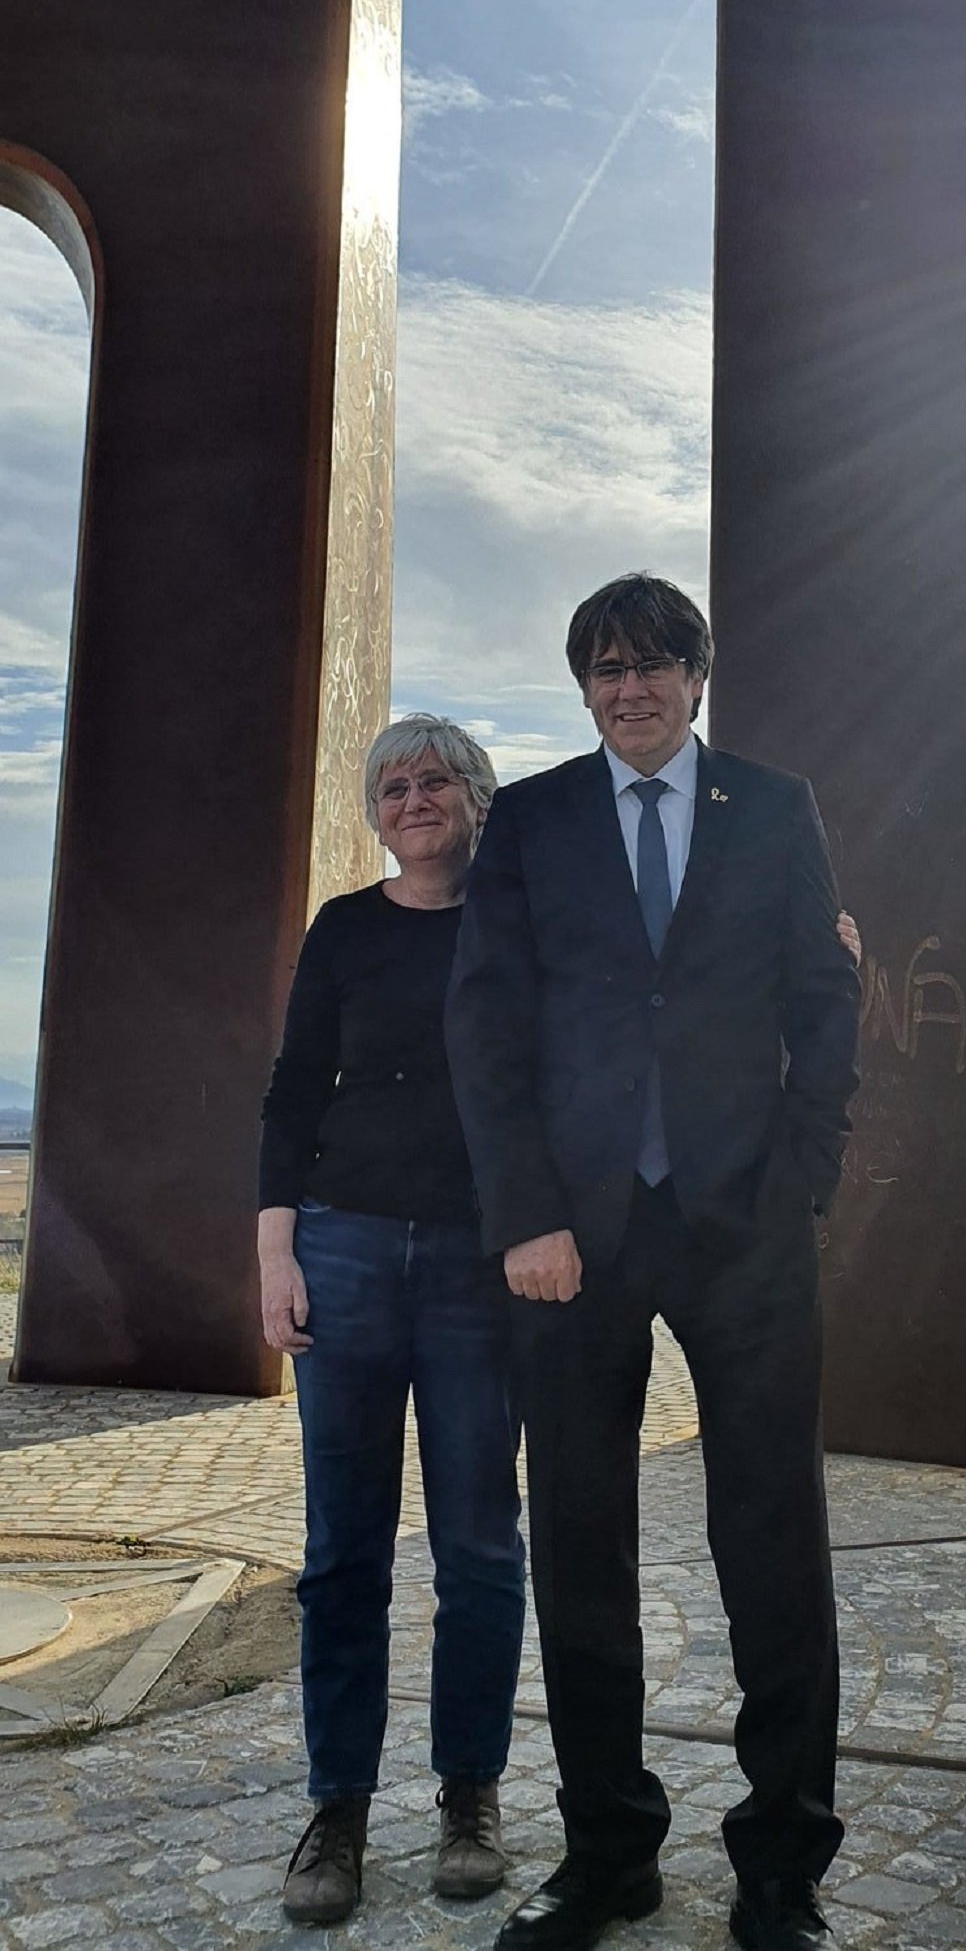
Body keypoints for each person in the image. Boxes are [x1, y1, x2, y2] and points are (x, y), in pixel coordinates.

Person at [446, 574, 862, 1951]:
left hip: (743, 1225)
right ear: (584, 686)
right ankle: (609, 1847)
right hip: (575, 1236)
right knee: (578, 1542)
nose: (630, 688)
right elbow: (488, 1023)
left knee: (775, 1541)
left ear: (699, 675)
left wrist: (803, 1168)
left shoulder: (775, 803)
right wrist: (523, 1216)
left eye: (654, 663)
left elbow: (822, 991)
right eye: (605, 668)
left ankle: (782, 1861)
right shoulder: (537, 820)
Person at [258, 717, 525, 1927]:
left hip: (479, 1262)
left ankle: (471, 1791)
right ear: (375, 811)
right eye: (394, 785)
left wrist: (816, 945)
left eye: (436, 780)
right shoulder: (345, 927)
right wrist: (276, 1252)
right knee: (342, 1551)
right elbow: (291, 1089)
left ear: (478, 797)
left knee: (476, 1542)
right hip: (346, 1248)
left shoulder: (517, 922)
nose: (414, 798)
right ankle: (340, 1805)